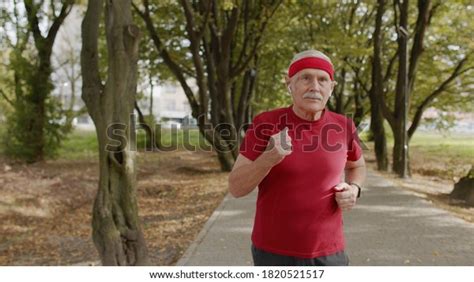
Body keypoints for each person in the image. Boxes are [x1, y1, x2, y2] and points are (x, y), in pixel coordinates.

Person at [228, 50, 367, 266]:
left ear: (332, 87)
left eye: (322, 79)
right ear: (289, 84)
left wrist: (355, 189)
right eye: (305, 78)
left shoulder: (344, 126)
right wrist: (268, 158)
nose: (314, 86)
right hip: (273, 252)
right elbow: (236, 188)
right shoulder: (266, 123)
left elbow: (357, 165)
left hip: (330, 251)